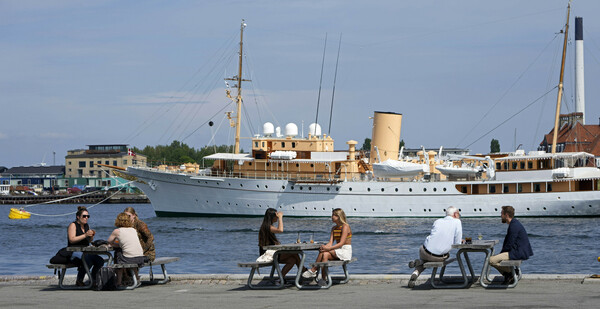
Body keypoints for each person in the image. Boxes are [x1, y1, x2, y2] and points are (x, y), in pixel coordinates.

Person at [407, 206, 462, 288]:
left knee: (425, 259)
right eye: (458, 213)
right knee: (447, 255)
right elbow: (457, 243)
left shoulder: (437, 221)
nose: (459, 215)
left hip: (424, 251)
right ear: (455, 214)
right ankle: (420, 263)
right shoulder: (457, 222)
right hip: (439, 257)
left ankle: (416, 271)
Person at [302, 208, 352, 285]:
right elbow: (330, 242)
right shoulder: (334, 228)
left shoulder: (345, 226)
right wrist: (325, 246)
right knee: (324, 253)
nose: (332, 217)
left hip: (345, 250)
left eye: (334, 215)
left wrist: (328, 248)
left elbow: (341, 243)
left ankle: (314, 269)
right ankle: (323, 279)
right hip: (337, 250)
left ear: (339, 216)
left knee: (325, 251)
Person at [489, 205, 533, 284]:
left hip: (517, 252)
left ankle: (511, 273)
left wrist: (501, 253)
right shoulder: (515, 223)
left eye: (501, 214)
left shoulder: (513, 226)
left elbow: (509, 243)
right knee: (496, 258)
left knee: (491, 260)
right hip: (518, 251)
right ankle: (509, 275)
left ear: (506, 215)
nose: (500, 216)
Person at [258, 208, 304, 278]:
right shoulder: (268, 227)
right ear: (272, 217)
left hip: (271, 252)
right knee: (295, 253)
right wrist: (280, 218)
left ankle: (280, 279)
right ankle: (303, 270)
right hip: (267, 254)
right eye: (276, 216)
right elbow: (280, 230)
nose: (277, 218)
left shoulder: (267, 227)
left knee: (292, 260)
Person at [67, 206, 104, 287]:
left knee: (100, 260)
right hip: (73, 251)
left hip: (85, 250)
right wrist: (85, 235)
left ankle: (94, 279)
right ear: (78, 217)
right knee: (87, 259)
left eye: (88, 216)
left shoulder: (86, 226)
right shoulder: (73, 225)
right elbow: (72, 239)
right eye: (84, 216)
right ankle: (79, 279)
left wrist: (91, 236)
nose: (86, 218)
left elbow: (89, 241)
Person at [108, 212, 146, 287]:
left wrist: (113, 245)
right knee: (129, 253)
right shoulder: (133, 230)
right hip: (140, 258)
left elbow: (109, 241)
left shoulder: (117, 231)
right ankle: (137, 279)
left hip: (129, 259)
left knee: (118, 253)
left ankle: (119, 282)